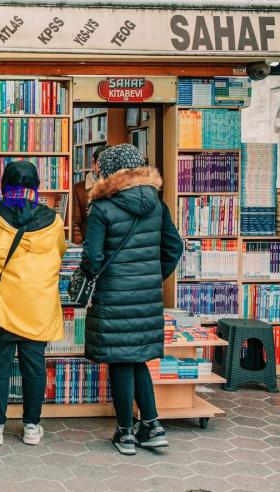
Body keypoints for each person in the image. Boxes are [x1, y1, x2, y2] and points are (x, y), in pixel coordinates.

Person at [79, 144, 183, 456]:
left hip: (113, 294)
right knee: (137, 358)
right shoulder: (157, 204)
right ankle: (152, 426)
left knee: (120, 361)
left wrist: (92, 276)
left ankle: (125, 432)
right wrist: (151, 277)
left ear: (108, 172)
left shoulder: (102, 206)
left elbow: (93, 257)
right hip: (147, 295)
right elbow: (173, 247)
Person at [0, 161, 68, 447]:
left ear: (4, 186)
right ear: (35, 187)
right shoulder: (53, 220)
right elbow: (60, 250)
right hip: (39, 304)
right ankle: (32, 427)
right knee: (34, 367)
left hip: (2, 304)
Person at [72, 145, 108, 243]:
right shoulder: (78, 189)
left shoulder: (119, 187)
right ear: (93, 164)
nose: (105, 168)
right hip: (89, 245)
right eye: (101, 163)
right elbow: (74, 223)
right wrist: (80, 246)